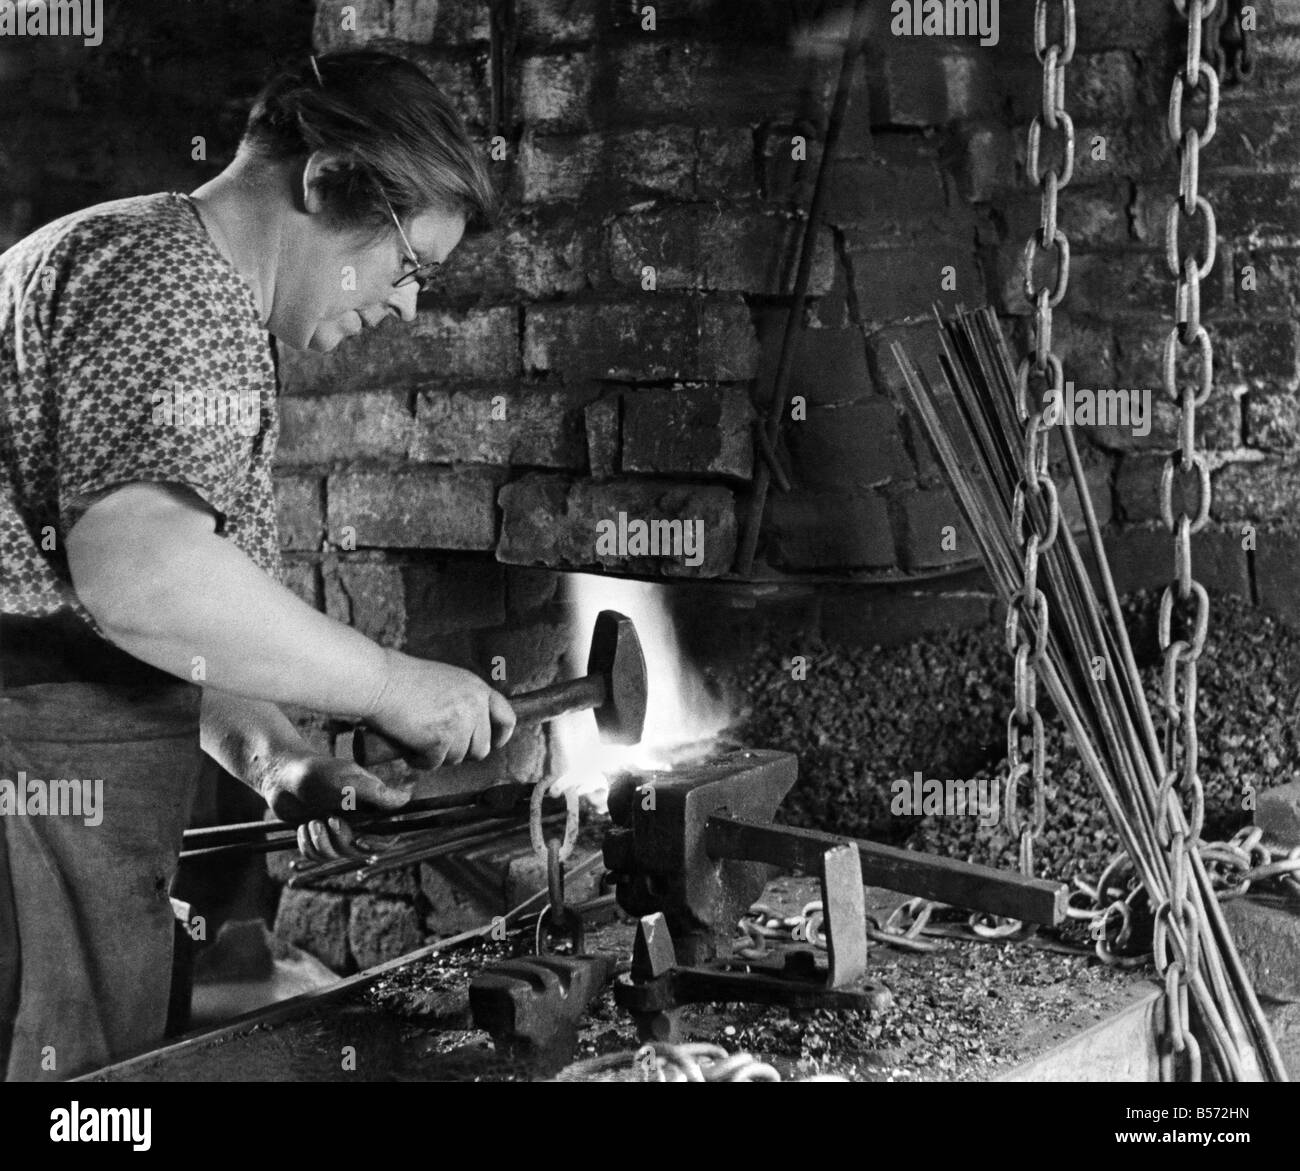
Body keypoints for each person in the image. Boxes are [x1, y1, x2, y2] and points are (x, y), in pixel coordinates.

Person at [0, 49, 516, 1081]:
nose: (407, 309)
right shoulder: (176, 288)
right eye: (409, 266)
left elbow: (160, 609)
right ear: (324, 183)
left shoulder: (137, 258)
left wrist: (277, 760)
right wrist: (389, 681)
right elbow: (144, 581)